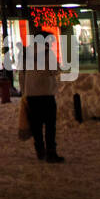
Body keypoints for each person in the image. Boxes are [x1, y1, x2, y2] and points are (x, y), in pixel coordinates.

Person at [21, 31, 63, 163]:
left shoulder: (26, 54)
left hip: (31, 95)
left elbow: (21, 75)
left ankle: (40, 150)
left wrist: (24, 92)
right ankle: (51, 152)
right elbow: (55, 71)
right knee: (50, 125)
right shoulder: (47, 53)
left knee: (36, 125)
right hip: (46, 93)